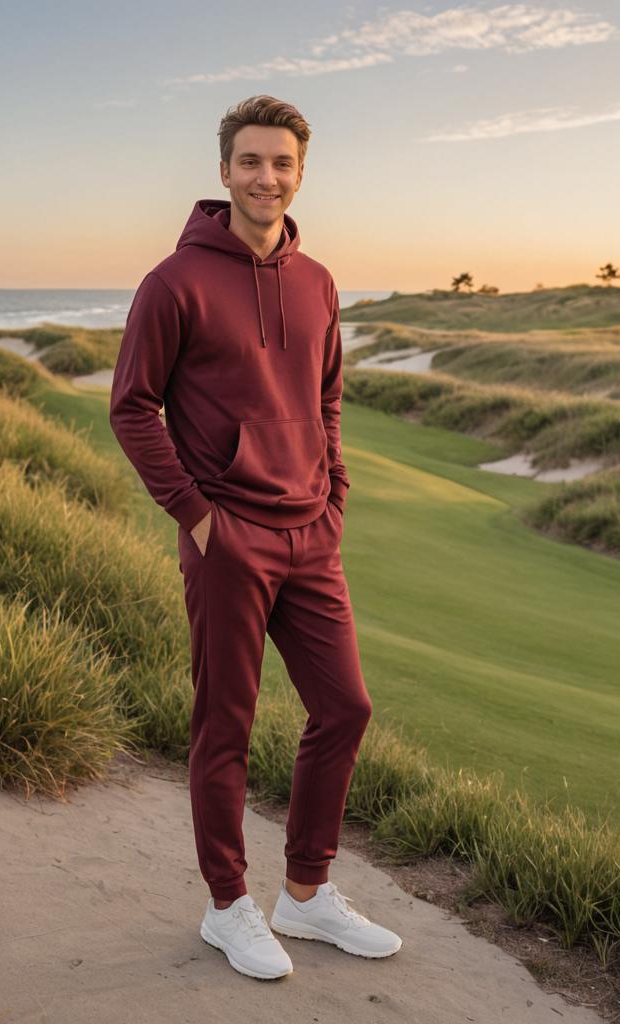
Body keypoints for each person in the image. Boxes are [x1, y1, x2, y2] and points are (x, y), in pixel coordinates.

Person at [109, 94, 401, 981]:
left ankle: (306, 896)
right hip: (227, 538)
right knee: (224, 725)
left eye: (281, 163)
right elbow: (131, 407)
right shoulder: (175, 281)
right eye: (249, 162)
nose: (265, 177)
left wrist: (335, 494)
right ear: (225, 171)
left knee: (345, 708)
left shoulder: (317, 282)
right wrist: (199, 519)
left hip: (311, 533)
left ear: (299, 173)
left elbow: (327, 397)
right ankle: (227, 906)